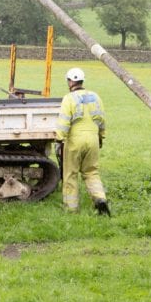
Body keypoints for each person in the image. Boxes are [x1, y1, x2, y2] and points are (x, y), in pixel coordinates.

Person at [55, 67, 111, 216]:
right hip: (93, 139)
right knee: (92, 172)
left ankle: (71, 208)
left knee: (70, 175)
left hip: (75, 141)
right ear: (82, 80)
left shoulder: (69, 98)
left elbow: (63, 122)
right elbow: (102, 120)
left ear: (70, 81)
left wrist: (59, 140)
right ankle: (100, 199)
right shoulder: (96, 97)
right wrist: (101, 137)